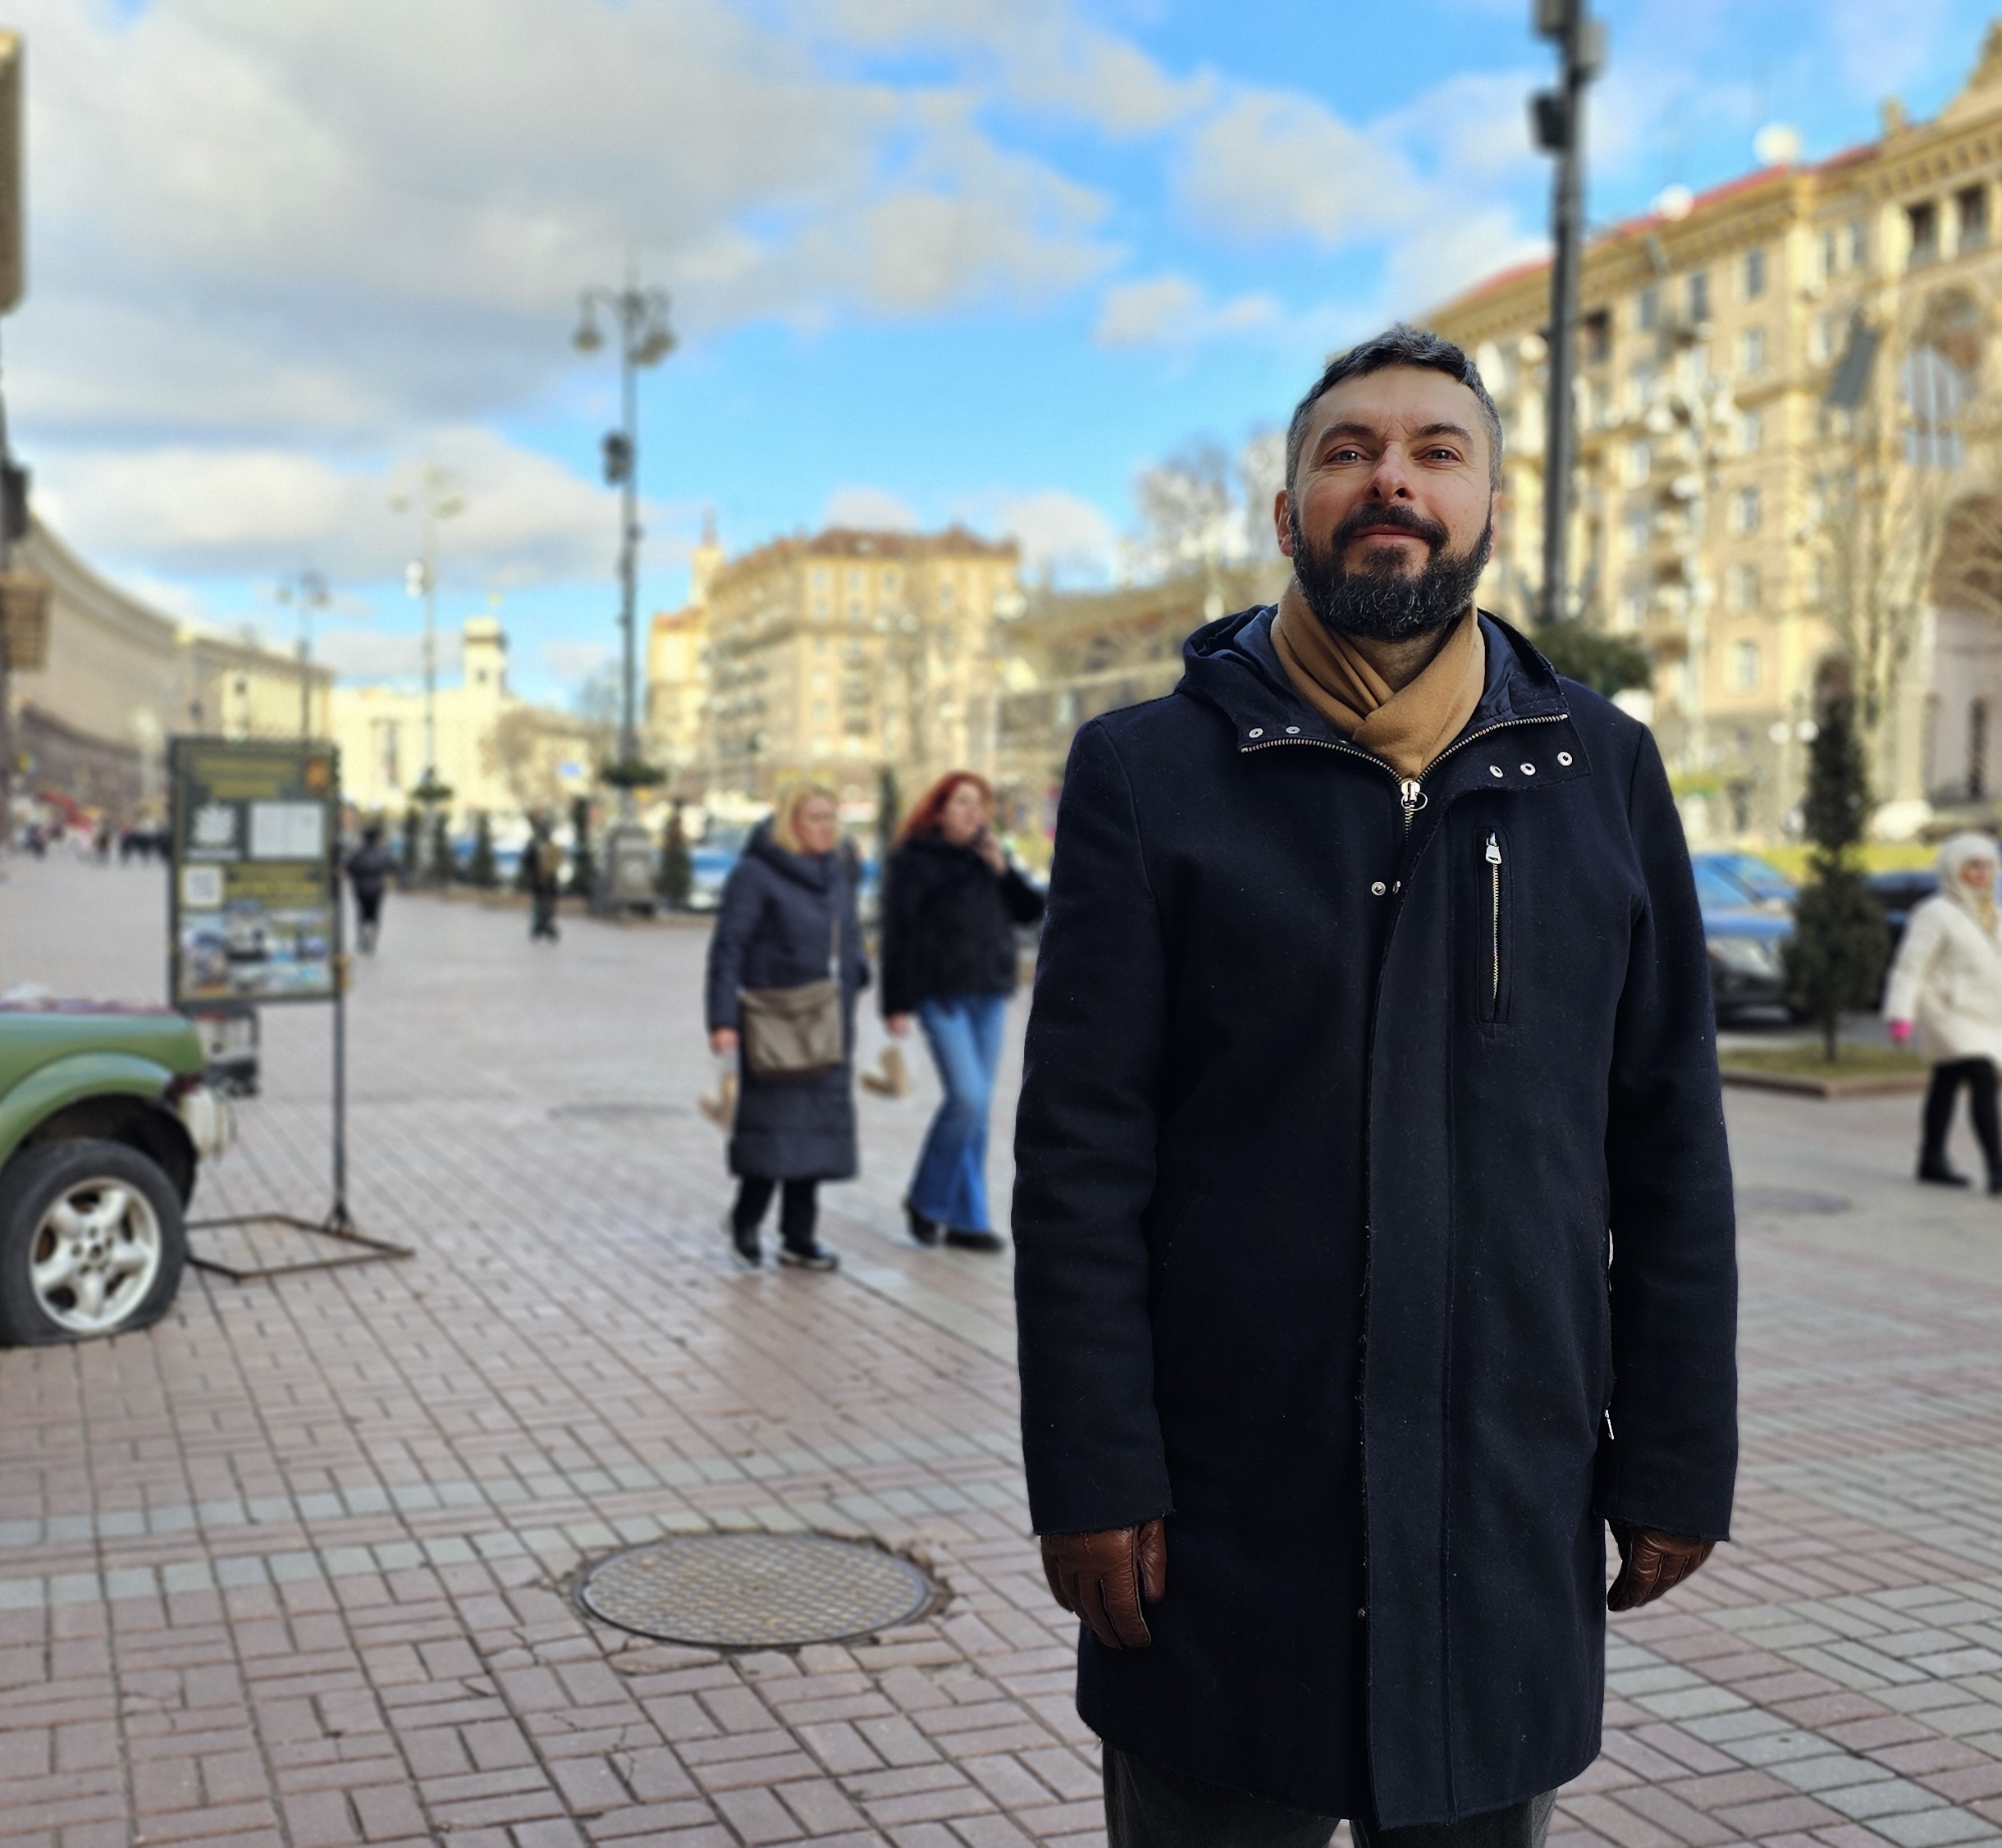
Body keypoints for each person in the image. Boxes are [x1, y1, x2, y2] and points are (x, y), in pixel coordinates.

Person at [1014, 325, 1738, 1846]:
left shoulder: (1599, 768)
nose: (1388, 479)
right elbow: (1083, 1155)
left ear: (1488, 509)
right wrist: (1089, 1469)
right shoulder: (1148, 772)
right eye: (1346, 453)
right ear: (1288, 514)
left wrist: (1676, 1452)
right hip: (1220, 1520)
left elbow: (1667, 1137)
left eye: (1434, 451)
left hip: (1501, 1504)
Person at [879, 771, 1044, 1252]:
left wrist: (1002, 869)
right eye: (963, 803)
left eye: (980, 804)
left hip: (988, 993)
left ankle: (967, 1220)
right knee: (967, 1098)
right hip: (939, 993)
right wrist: (896, 1003)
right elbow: (897, 933)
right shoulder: (914, 861)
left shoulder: (988, 855)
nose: (974, 813)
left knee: (978, 1111)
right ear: (939, 810)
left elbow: (1030, 911)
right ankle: (927, 1200)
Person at [705, 784, 868, 1271]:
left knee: (815, 1132)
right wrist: (722, 1019)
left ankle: (799, 1236)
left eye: (830, 817)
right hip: (774, 1020)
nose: (825, 826)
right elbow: (728, 949)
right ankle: (746, 1220)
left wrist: (858, 971)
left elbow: (850, 934)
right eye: (814, 817)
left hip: (827, 1020)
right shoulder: (755, 875)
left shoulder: (838, 873)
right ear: (789, 823)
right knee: (772, 1130)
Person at [1883, 832, 2002, 1194]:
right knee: (1983, 1076)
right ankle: (1998, 1168)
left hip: (1985, 1012)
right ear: (1953, 869)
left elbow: (2000, 962)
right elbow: (1910, 966)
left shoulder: (1995, 913)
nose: (1981, 873)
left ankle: (1931, 1158)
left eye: (1988, 865)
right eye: (1972, 866)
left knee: (1946, 1079)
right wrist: (1901, 1014)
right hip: (1947, 1008)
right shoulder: (1935, 913)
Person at [345, 826, 392, 955]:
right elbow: (389, 867)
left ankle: (361, 940)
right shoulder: (381, 853)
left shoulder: (358, 853)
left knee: (361, 914)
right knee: (374, 915)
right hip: (377, 889)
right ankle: (372, 941)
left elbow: (350, 868)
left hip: (360, 888)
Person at [525, 818, 563, 944]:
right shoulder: (535, 845)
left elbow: (556, 862)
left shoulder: (551, 846)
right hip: (539, 881)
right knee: (540, 905)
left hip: (548, 881)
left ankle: (544, 927)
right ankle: (541, 927)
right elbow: (527, 861)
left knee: (547, 905)